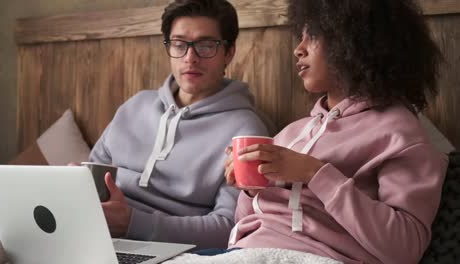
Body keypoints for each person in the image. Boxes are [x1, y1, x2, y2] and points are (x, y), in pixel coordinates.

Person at [223, 0, 447, 263]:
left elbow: (405, 249)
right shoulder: (292, 133)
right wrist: (250, 187)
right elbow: (247, 223)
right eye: (300, 36)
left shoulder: (399, 132)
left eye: (314, 36)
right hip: (244, 252)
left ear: (358, 42)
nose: (298, 49)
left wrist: (315, 173)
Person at [90, 0, 269, 249]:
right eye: (179, 44)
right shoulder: (135, 106)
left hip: (169, 249)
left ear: (229, 53)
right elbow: (90, 178)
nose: (190, 58)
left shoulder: (246, 131)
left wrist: (133, 223)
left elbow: (229, 226)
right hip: (96, 235)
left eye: (206, 45)